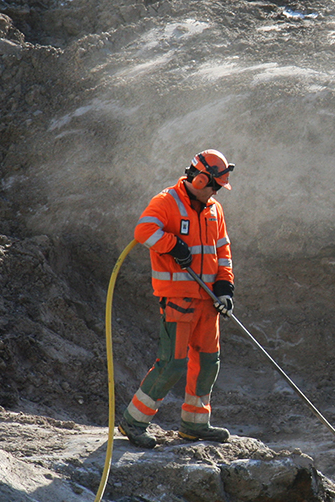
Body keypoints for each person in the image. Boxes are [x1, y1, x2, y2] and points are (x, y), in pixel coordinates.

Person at [117, 149, 237, 448]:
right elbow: (144, 231)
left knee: (209, 363)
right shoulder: (166, 202)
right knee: (172, 364)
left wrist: (225, 287)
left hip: (208, 300)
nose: (217, 191)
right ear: (199, 179)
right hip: (179, 300)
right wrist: (173, 246)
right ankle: (133, 422)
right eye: (215, 185)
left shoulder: (214, 210)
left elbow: (222, 251)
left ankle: (195, 425)